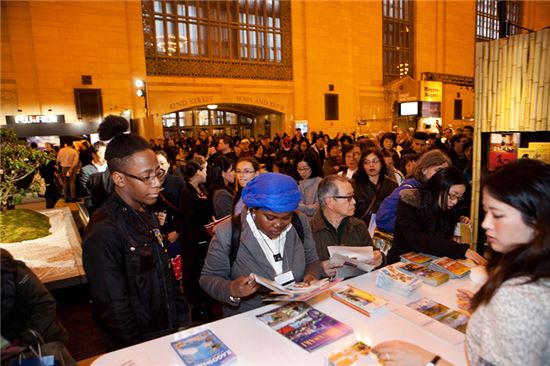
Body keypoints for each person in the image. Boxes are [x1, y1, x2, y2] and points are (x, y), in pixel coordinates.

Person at [374, 159, 550, 366]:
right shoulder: (411, 200)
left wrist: (427, 361)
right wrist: (485, 307)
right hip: (402, 270)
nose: (485, 223)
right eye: (488, 212)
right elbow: (418, 239)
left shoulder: (521, 295)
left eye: (498, 214)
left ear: (537, 219)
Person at [82, 115, 188, 351]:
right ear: (119, 178)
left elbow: (166, 274)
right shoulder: (104, 230)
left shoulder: (145, 211)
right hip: (138, 344)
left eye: (158, 173)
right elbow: (113, 308)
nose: (156, 184)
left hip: (166, 332)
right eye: (146, 177)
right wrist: (137, 351)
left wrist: (181, 320)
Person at [200, 173, 323, 317]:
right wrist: (231, 289)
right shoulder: (227, 232)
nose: (278, 224)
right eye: (270, 217)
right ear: (253, 210)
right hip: (250, 318)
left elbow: (312, 260)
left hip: (296, 311)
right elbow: (208, 277)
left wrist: (311, 277)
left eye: (286, 217)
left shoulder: (300, 222)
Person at [387, 167, 486, 265]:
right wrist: (462, 251)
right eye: (452, 195)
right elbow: (418, 240)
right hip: (401, 263)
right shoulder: (410, 201)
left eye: (459, 197)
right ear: (438, 187)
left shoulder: (448, 207)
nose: (455, 201)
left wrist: (459, 223)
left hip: (432, 263)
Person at [1, 249, 76, 365]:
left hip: (42, 341)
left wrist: (25, 342)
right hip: (9, 347)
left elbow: (45, 304)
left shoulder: (15, 272)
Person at [311, 175, 383, 278]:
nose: (354, 201)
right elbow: (295, 272)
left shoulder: (359, 226)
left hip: (356, 287)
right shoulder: (308, 231)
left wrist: (379, 258)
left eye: (353, 196)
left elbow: (373, 254)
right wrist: (319, 269)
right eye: (348, 197)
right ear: (329, 202)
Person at [376, 150, 451, 234]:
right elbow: (383, 218)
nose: (441, 175)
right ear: (424, 169)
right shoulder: (409, 189)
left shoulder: (434, 189)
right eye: (438, 170)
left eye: (445, 172)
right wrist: (413, 229)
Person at [179, 157, 215, 322]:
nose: (207, 173)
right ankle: (197, 308)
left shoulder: (201, 188)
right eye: (205, 169)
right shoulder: (187, 192)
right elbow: (188, 219)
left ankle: (205, 304)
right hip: (194, 241)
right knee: (194, 273)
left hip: (204, 238)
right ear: (198, 172)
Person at [151, 150, 186, 282]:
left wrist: (177, 231)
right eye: (156, 164)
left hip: (175, 234)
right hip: (157, 235)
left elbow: (186, 210)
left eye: (162, 163)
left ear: (169, 165)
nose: (159, 168)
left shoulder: (178, 183)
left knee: (178, 272)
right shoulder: (148, 184)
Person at [353, 148, 398, 226]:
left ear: (381, 163)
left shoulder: (391, 185)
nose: (371, 165)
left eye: (375, 161)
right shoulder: (355, 185)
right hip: (361, 229)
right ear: (362, 165)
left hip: (385, 230)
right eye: (367, 162)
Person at [79, 141, 108, 214]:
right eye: (102, 153)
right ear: (94, 155)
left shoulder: (112, 167)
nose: (105, 156)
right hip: (95, 205)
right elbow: (88, 191)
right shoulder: (86, 170)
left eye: (106, 152)